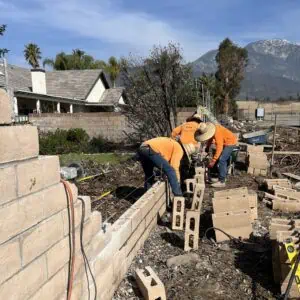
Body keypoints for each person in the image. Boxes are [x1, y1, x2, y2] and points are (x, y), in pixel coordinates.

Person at [195, 122, 237, 188]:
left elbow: (219, 148)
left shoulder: (218, 133)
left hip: (230, 142)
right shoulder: (212, 130)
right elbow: (210, 139)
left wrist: (214, 160)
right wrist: (207, 148)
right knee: (220, 158)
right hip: (225, 141)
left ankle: (222, 181)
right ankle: (220, 176)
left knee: (222, 160)